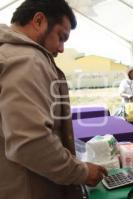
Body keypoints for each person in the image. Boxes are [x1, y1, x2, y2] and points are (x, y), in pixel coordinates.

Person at [0, 1, 107, 199]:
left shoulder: (9, 53)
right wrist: (81, 171)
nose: (62, 48)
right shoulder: (28, 59)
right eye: (60, 37)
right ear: (39, 21)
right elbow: (30, 142)